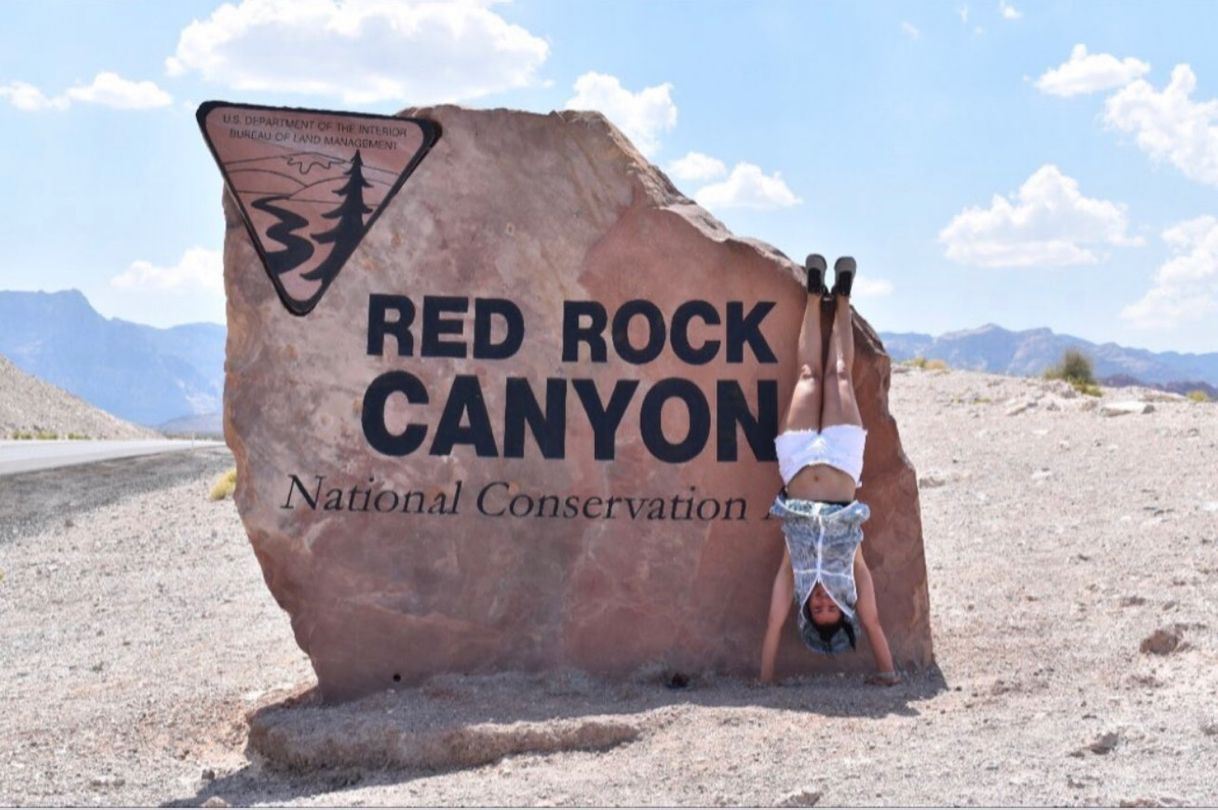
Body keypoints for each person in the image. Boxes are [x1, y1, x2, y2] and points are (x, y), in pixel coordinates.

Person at [758, 254, 899, 686]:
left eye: (816, 609)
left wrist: (765, 680)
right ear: (843, 606)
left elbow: (773, 625)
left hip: (798, 459)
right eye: (830, 609)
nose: (821, 603)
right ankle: (842, 300)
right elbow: (873, 624)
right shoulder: (851, 571)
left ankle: (814, 294)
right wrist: (888, 673)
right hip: (841, 457)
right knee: (838, 376)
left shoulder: (795, 571)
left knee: (807, 376)